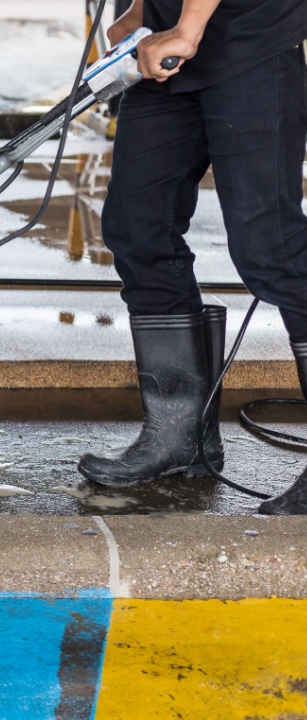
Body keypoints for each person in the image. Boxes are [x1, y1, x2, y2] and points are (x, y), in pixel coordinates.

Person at [78, 0, 307, 489]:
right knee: (137, 227)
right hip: (170, 51)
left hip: (249, 44)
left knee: (271, 249)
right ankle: (179, 437)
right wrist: (144, 10)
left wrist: (189, 26)